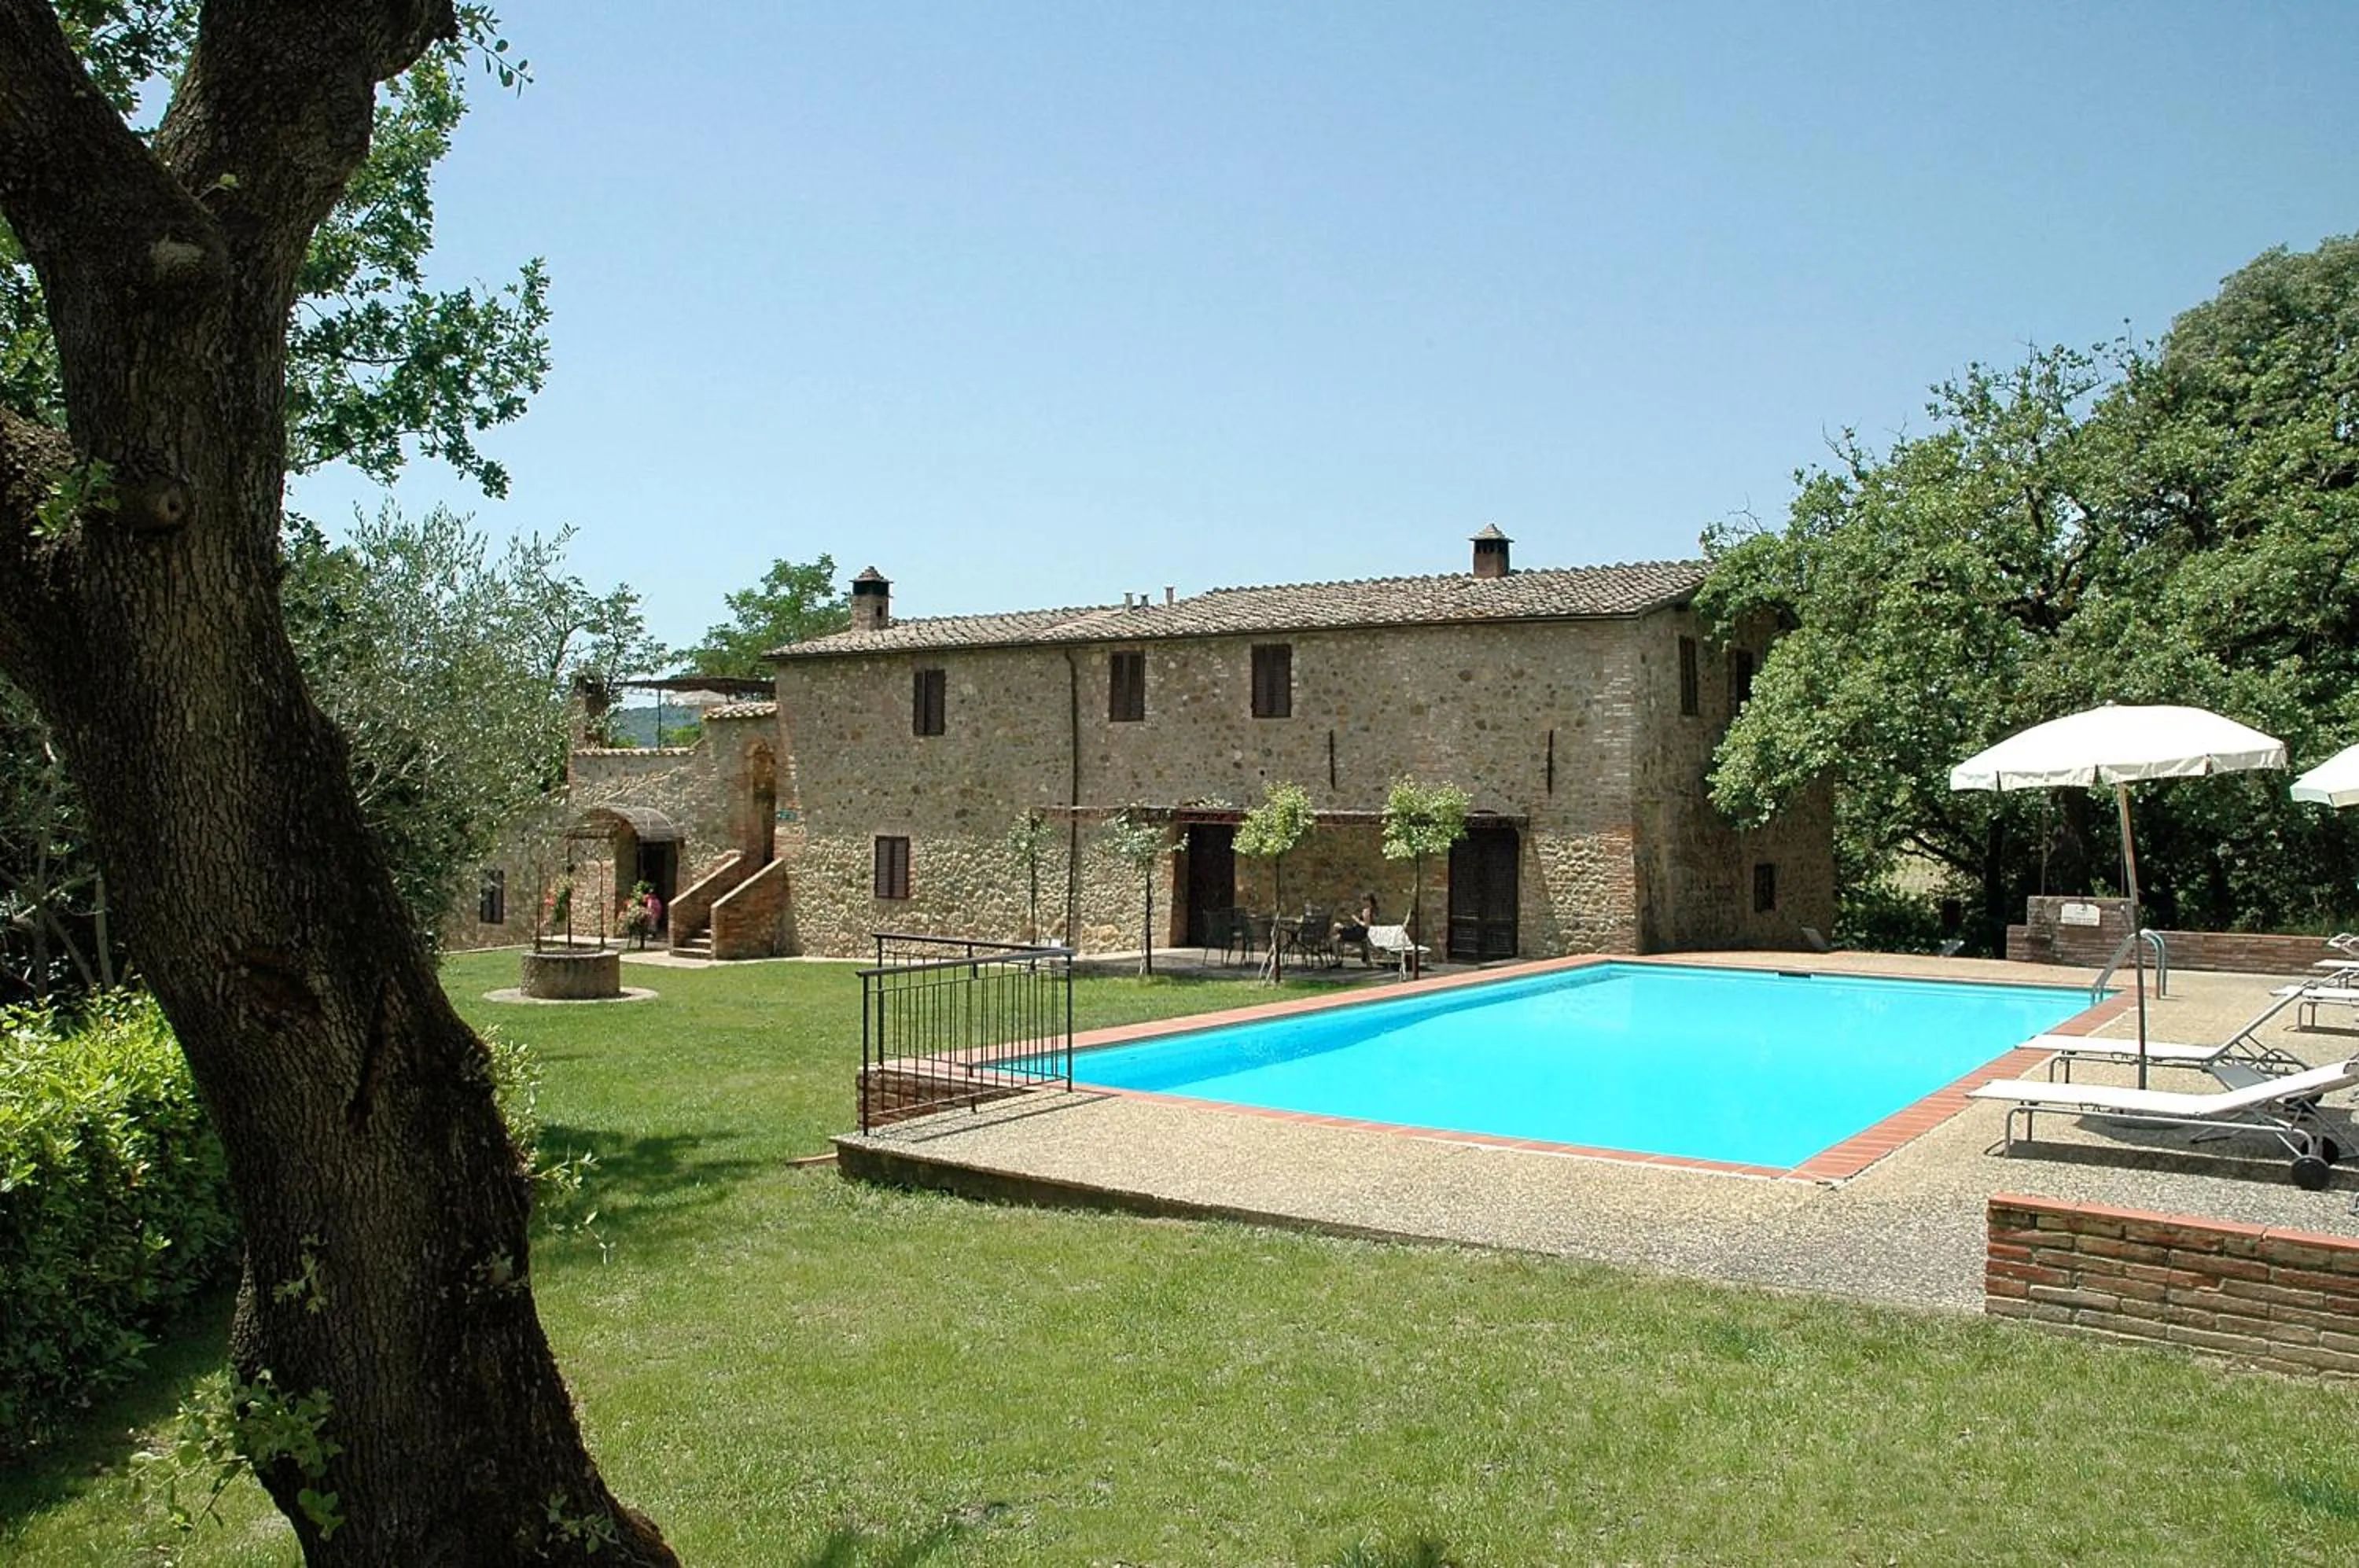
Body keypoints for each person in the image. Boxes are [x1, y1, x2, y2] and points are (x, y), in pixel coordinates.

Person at [1337, 892, 1378, 966]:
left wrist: (1356, 919)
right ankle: (1366, 958)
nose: (1361, 903)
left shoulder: (1366, 911)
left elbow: (1367, 925)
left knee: (1336, 930)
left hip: (1359, 934)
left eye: (1363, 901)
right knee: (1338, 930)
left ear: (1367, 901)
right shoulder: (1373, 910)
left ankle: (1337, 958)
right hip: (1362, 933)